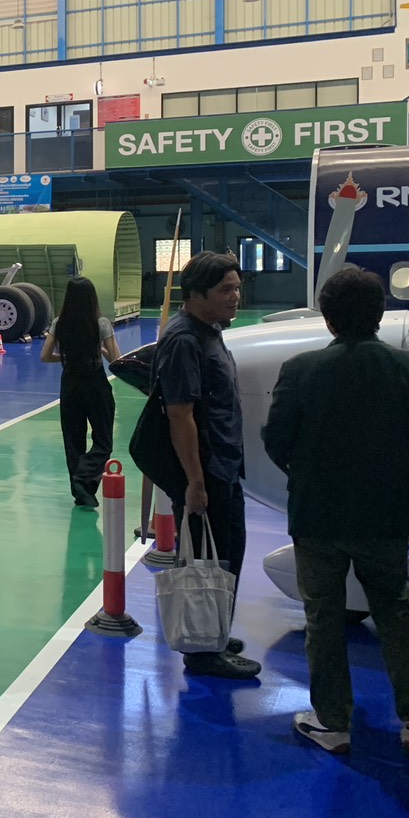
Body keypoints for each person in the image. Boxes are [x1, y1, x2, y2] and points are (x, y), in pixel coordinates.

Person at [262, 268, 409, 756]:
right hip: (387, 518)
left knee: (323, 618)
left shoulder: (300, 370)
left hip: (318, 516)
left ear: (327, 319)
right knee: (396, 613)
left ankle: (332, 722)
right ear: (380, 313)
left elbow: (275, 440)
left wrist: (306, 476)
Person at [153, 251, 260, 679]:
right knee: (206, 561)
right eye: (225, 290)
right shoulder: (184, 340)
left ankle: (214, 632)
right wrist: (195, 482)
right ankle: (202, 652)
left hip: (224, 468)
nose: (235, 297)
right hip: (208, 473)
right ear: (197, 294)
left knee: (227, 556)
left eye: (237, 288)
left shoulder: (210, 330)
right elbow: (180, 415)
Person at [41, 276, 122, 508]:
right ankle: (84, 478)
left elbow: (45, 356)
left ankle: (81, 492)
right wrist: (101, 350)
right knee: (103, 441)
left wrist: (65, 358)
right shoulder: (101, 324)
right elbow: (116, 359)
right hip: (96, 384)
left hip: (70, 384)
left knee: (73, 440)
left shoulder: (59, 323)